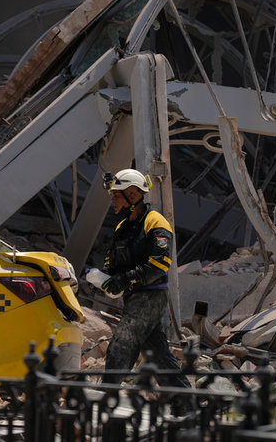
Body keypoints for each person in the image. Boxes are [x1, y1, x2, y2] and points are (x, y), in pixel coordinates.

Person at [99, 168, 192, 394]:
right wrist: (105, 277)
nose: (112, 200)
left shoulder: (155, 222)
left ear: (132, 195)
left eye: (116, 195)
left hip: (151, 295)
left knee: (122, 342)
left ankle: (103, 398)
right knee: (157, 353)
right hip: (134, 296)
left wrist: (125, 279)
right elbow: (114, 260)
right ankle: (185, 402)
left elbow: (159, 265)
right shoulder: (123, 227)